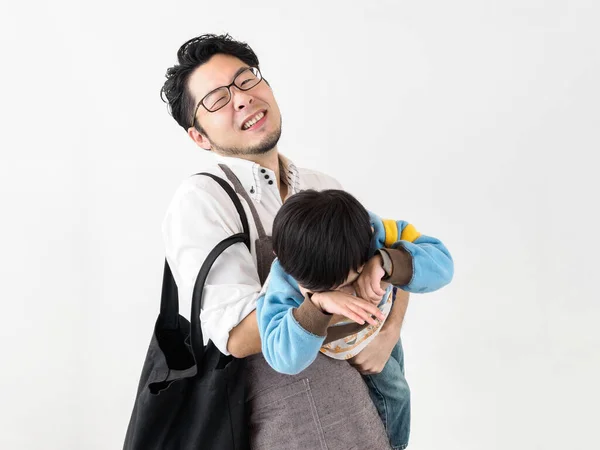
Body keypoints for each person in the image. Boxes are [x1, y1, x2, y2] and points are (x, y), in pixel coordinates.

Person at [161, 33, 414, 449]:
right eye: (216, 99)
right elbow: (238, 338)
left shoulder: (321, 186)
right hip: (294, 426)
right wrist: (319, 305)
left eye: (245, 80)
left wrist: (388, 335)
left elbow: (396, 256)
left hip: (368, 414)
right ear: (199, 137)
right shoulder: (203, 201)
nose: (241, 98)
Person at [257, 188, 454, 449]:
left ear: (369, 240)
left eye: (350, 282)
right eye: (322, 288)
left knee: (399, 388)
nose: (343, 295)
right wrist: (319, 305)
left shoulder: (380, 232)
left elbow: (443, 264)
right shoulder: (284, 281)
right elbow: (280, 356)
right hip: (343, 346)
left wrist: (387, 262)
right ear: (280, 259)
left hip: (381, 324)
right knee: (396, 393)